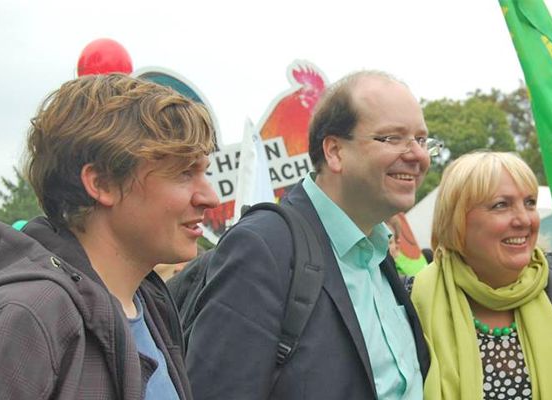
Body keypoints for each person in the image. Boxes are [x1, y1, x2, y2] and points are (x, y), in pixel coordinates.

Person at [185, 71, 432, 399]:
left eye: (422, 139)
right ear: (334, 152)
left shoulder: (377, 254)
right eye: (392, 138)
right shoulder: (264, 247)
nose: (417, 154)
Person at [0, 73, 218, 399]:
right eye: (183, 173)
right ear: (102, 183)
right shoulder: (30, 316)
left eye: (204, 172)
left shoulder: (152, 305)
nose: (210, 197)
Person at [412, 151, 552, 400]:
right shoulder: (408, 302)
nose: (524, 219)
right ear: (456, 219)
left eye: (530, 202)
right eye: (501, 205)